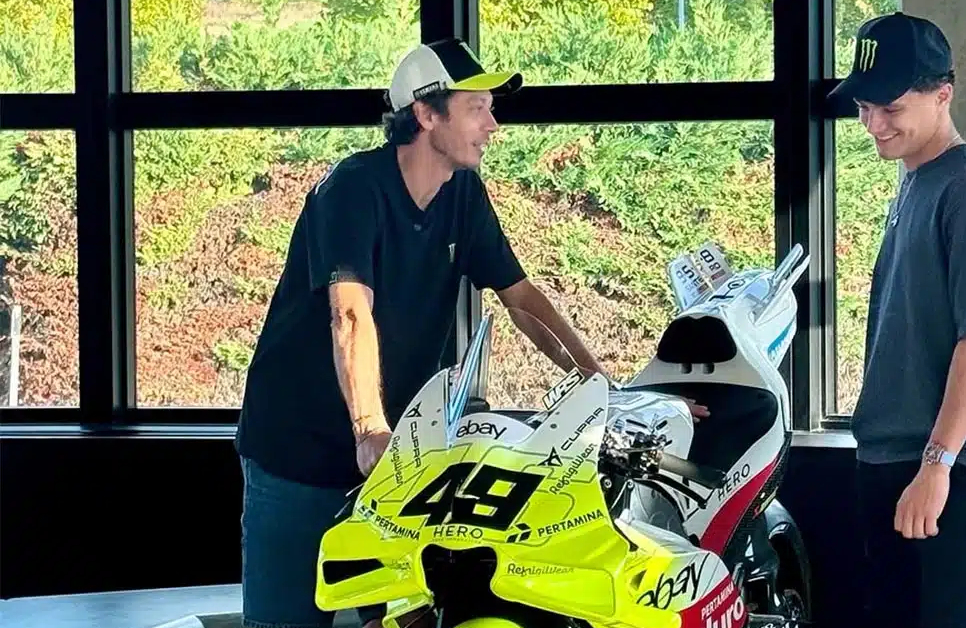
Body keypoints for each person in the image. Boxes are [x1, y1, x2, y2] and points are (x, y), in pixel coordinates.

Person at [234, 38, 707, 628]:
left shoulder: (462, 194)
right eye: (476, 108)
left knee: (409, 619)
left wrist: (604, 391)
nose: (493, 125)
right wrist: (369, 429)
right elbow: (349, 313)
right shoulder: (352, 190)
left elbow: (522, 300)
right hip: (298, 455)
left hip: (398, 462)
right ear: (426, 114)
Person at [829, 12, 966, 628]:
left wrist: (936, 465)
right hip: (893, 460)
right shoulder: (914, 184)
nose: (874, 124)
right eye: (864, 107)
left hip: (957, 473)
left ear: (943, 94)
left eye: (891, 107)